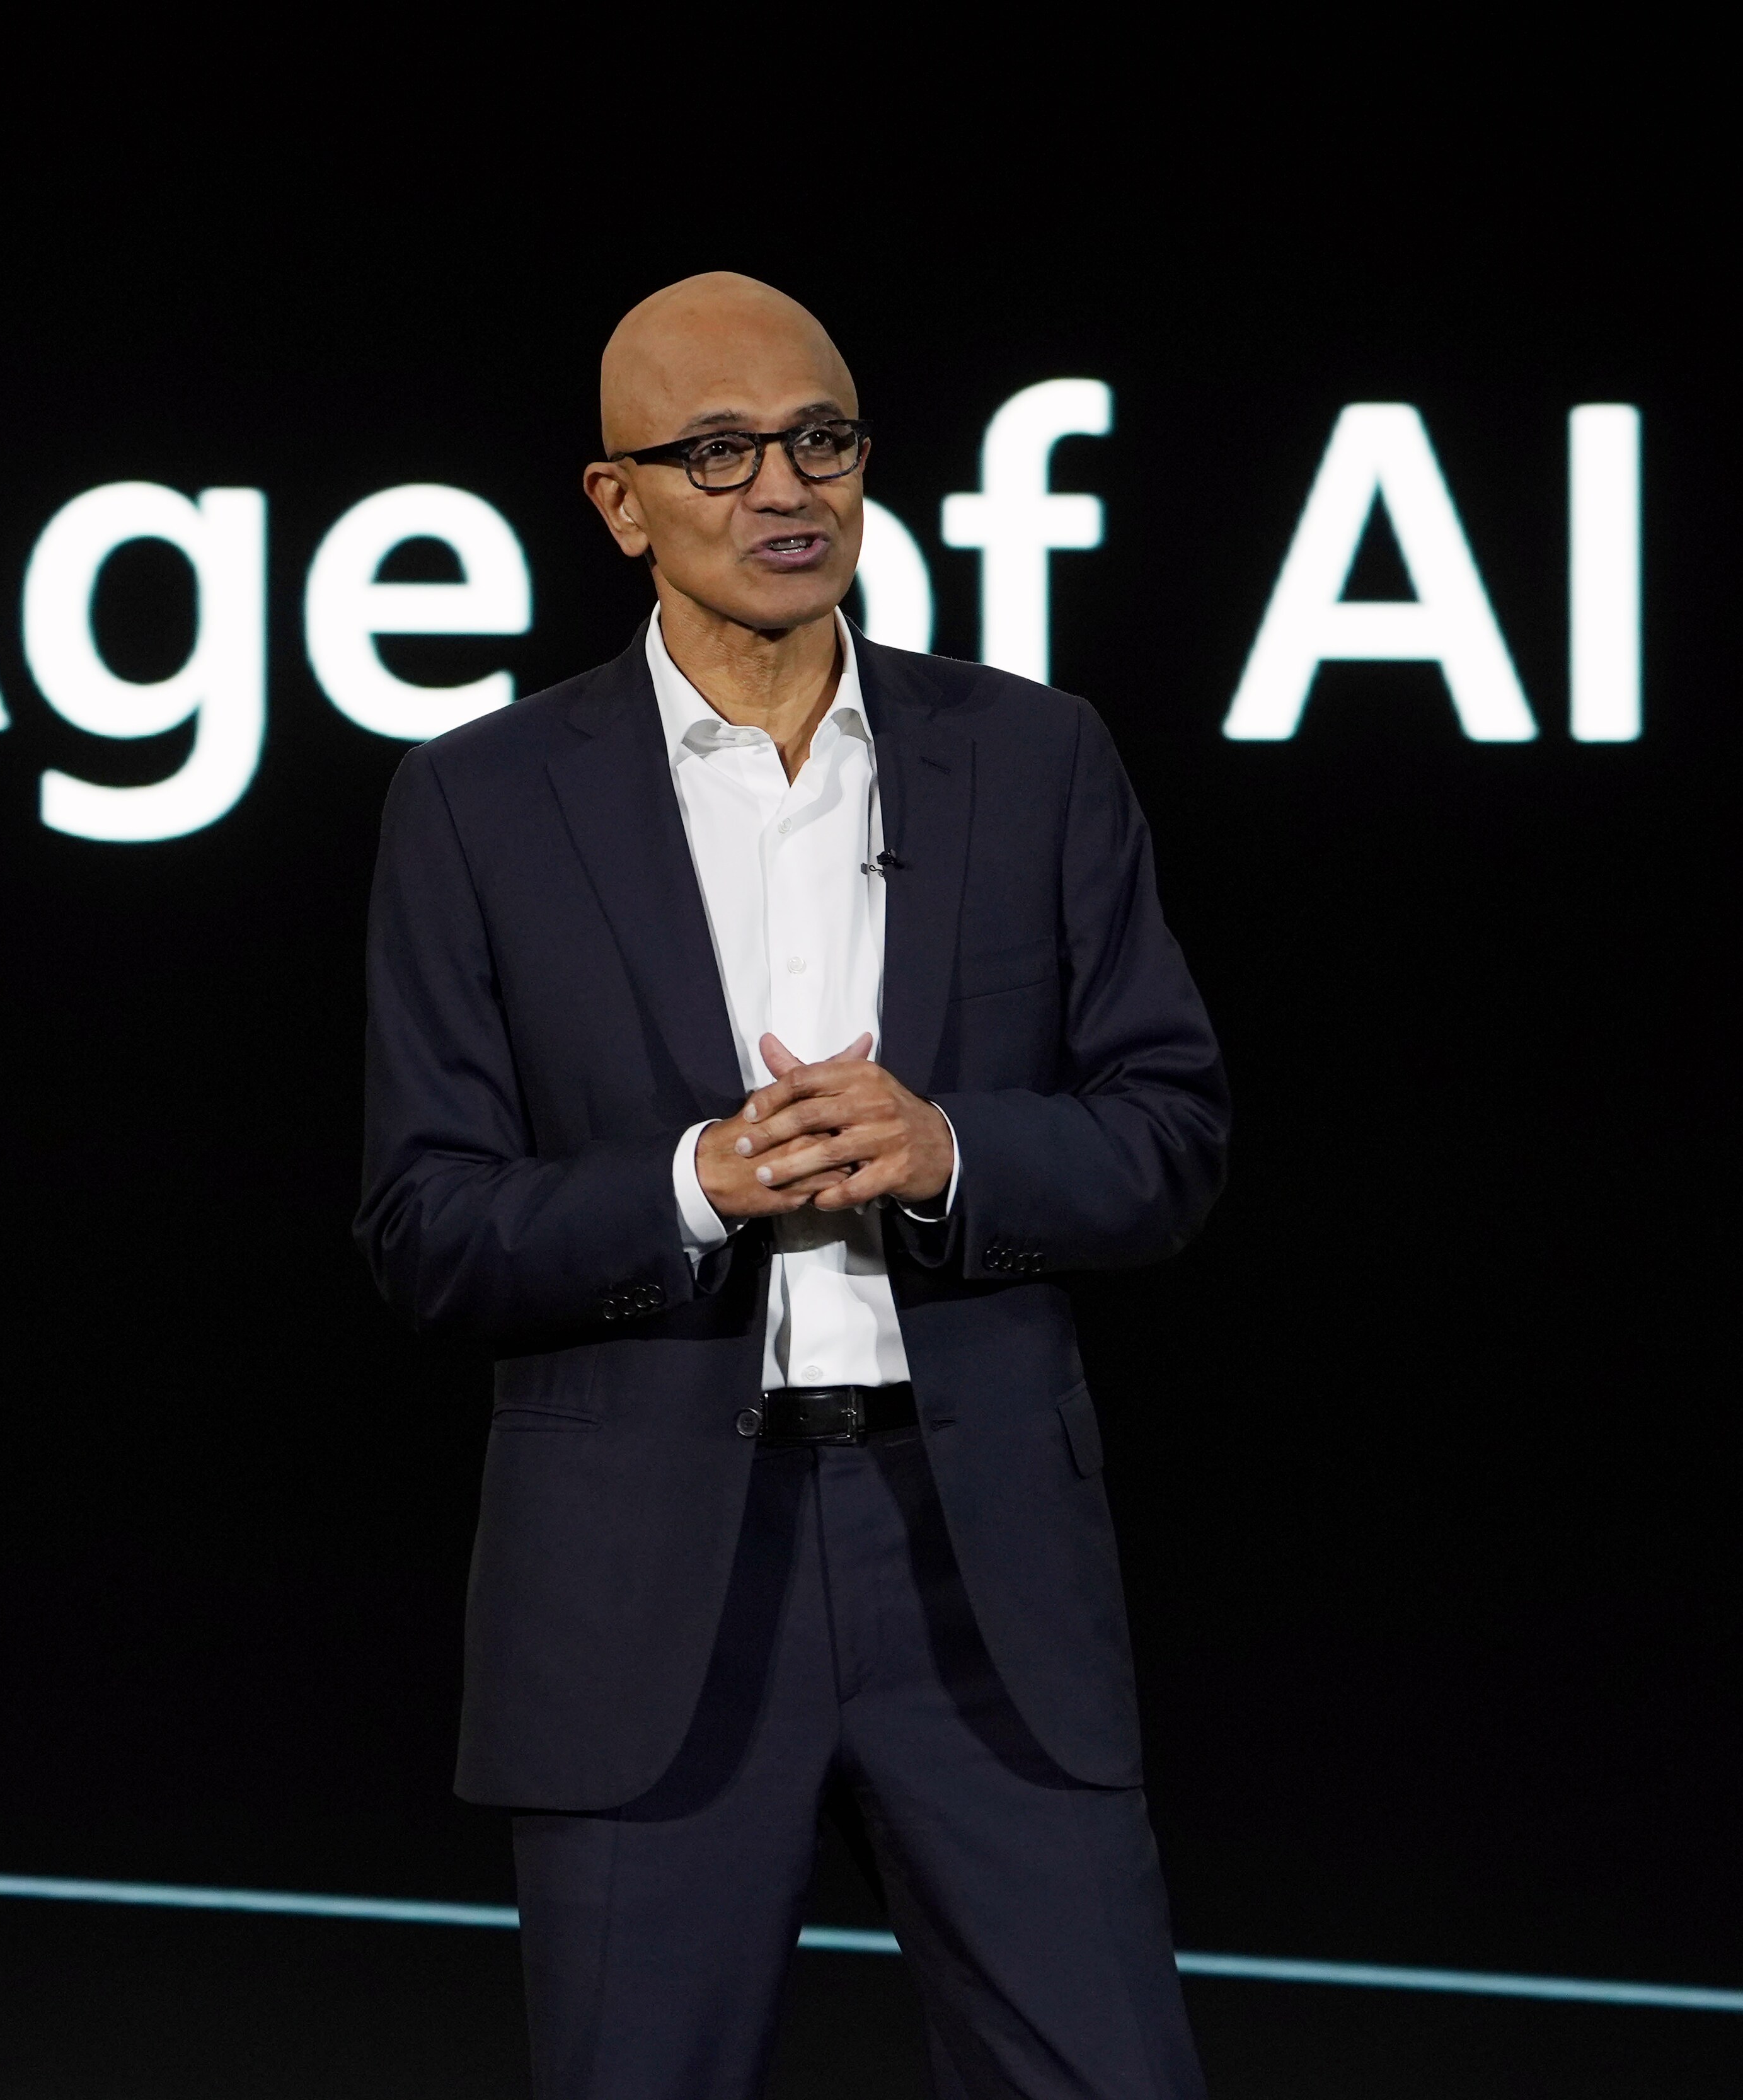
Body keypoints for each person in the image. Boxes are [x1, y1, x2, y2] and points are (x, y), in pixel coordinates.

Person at [357, 271, 1230, 2098]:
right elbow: (427, 1227)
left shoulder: (1035, 757)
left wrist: (951, 1149)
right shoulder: (479, 803)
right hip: (648, 1593)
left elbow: (1171, 1135)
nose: (783, 488)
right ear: (619, 502)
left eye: (821, 441)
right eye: (720, 451)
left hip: (979, 1567)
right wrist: (692, 1183)